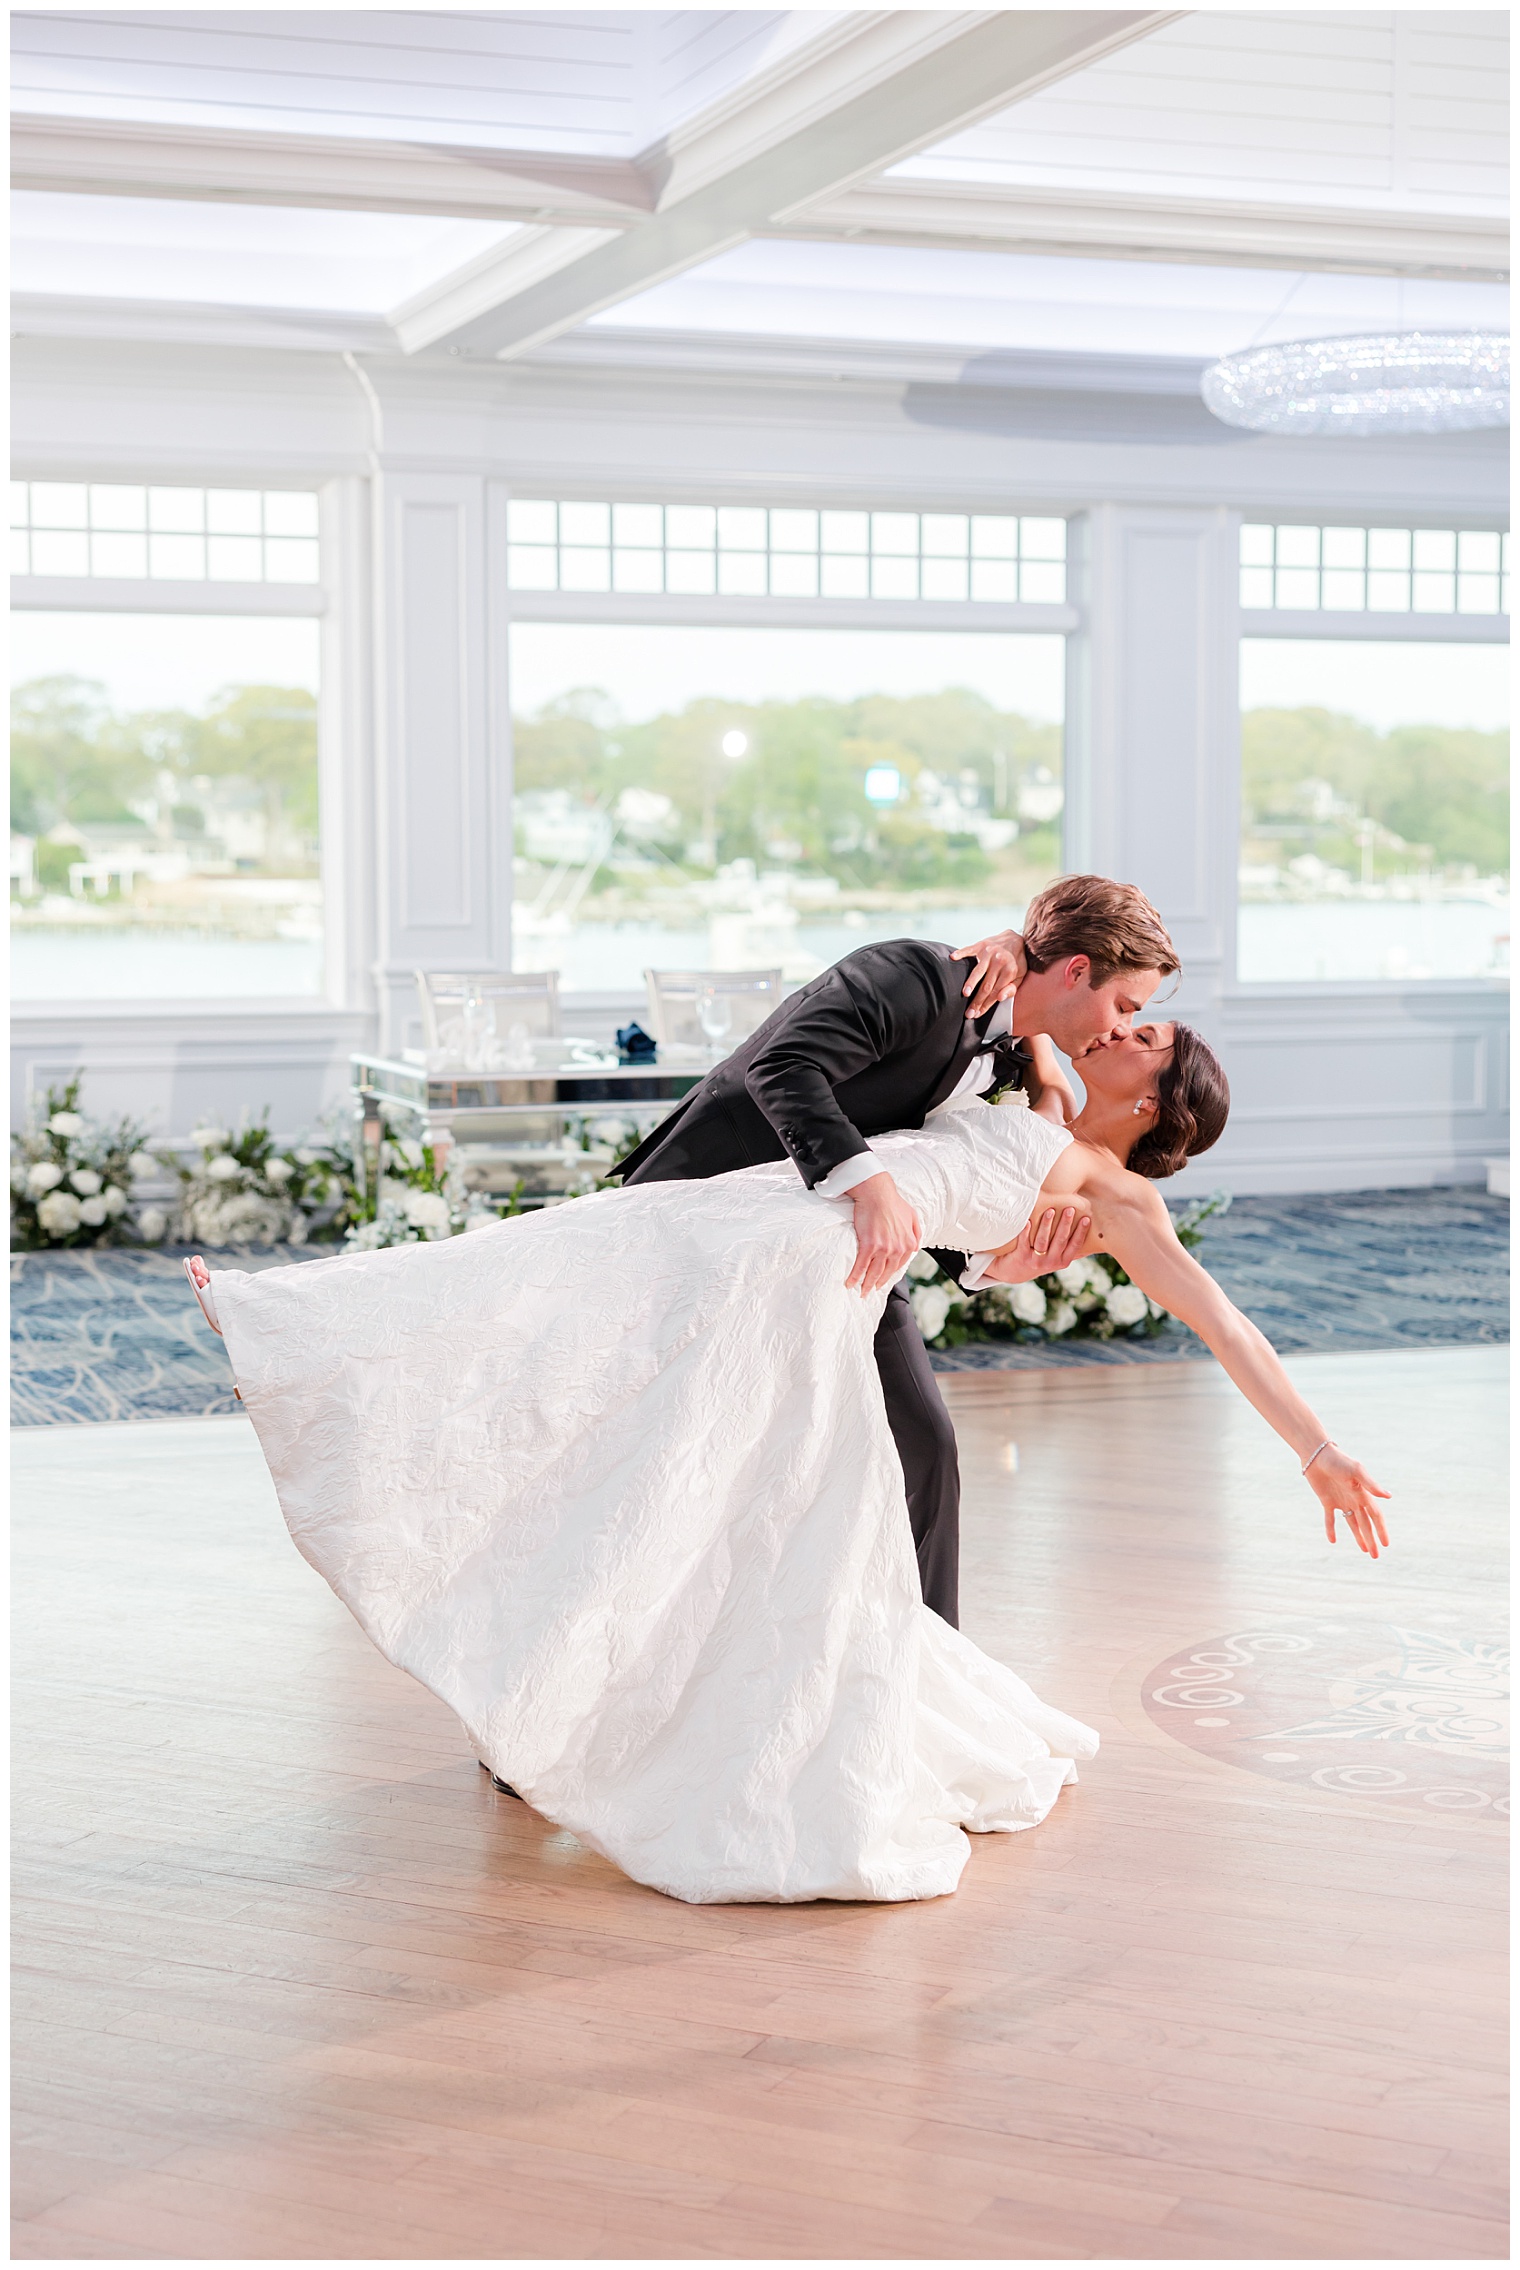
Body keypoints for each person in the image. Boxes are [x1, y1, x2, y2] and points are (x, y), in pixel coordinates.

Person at [617, 873, 1181, 1628]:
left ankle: (926, 1658)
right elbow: (780, 1067)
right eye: (1126, 1007)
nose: (1122, 1028)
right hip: (707, 1215)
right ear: (1078, 970)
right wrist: (871, 1185)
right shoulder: (915, 975)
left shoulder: (1011, 1055)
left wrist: (991, 1264)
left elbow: (944, 1162)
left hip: (850, 1253)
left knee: (925, 1444)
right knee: (673, 1451)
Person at [973, 1021, 1393, 1556]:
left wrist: (1316, 1449)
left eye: (1143, 1038)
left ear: (1151, 1101)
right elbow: (1036, 1007)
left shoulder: (1123, 1200)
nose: (1119, 1030)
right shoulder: (1052, 1097)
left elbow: (1224, 1324)